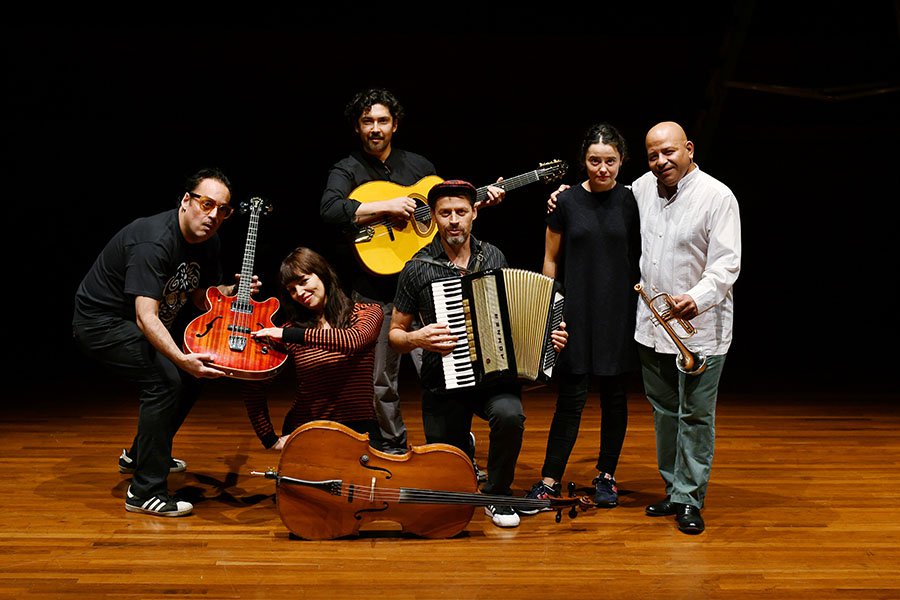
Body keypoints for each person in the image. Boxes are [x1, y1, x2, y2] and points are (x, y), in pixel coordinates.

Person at [550, 122, 742, 534]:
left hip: (699, 327)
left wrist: (698, 297)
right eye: (654, 155)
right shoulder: (640, 190)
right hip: (652, 328)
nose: (661, 161)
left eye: (669, 152)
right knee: (665, 414)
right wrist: (564, 196)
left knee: (695, 415)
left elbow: (727, 264)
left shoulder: (717, 196)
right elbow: (599, 191)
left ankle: (689, 498)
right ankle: (674, 489)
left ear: (688, 149)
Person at [320, 88, 505, 457]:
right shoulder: (347, 168)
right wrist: (386, 206)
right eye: (367, 121)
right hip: (374, 289)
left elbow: (444, 217)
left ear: (395, 125)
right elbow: (329, 210)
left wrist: (479, 204)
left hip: (426, 287)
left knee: (442, 370)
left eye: (382, 120)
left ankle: (451, 443)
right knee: (382, 378)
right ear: (357, 127)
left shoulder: (420, 167)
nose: (375, 128)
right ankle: (393, 444)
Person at [72, 167, 261, 517]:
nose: (214, 216)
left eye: (223, 210)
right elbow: (145, 315)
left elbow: (198, 296)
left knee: (192, 376)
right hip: (102, 323)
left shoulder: (208, 240)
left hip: (141, 321)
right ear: (186, 201)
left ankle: (142, 455)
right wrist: (180, 359)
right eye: (206, 204)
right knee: (165, 380)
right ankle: (144, 491)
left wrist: (233, 291)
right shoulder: (154, 241)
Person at [388, 179, 568, 528]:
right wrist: (417, 338)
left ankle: (497, 495)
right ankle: (462, 446)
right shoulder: (417, 267)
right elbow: (395, 334)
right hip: (443, 381)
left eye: (460, 212)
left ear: (474, 214)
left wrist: (549, 338)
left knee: (510, 416)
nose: (453, 220)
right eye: (445, 213)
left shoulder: (494, 256)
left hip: (493, 377)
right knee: (448, 483)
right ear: (434, 218)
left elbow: (515, 314)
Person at [518, 123, 641, 517]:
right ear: (583, 161)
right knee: (570, 400)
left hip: (618, 313)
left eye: (610, 161)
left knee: (614, 398)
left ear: (621, 161)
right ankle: (549, 479)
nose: (602, 168)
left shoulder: (633, 200)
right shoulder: (566, 201)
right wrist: (547, 311)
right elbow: (550, 260)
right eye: (594, 160)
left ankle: (606, 475)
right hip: (575, 313)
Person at [243, 247, 382, 450]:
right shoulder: (288, 331)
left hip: (360, 430)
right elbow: (254, 385)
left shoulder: (366, 313)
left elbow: (354, 340)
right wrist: (269, 438)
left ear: (322, 273)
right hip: (307, 430)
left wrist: (288, 335)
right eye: (291, 289)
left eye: (303, 281)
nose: (299, 293)